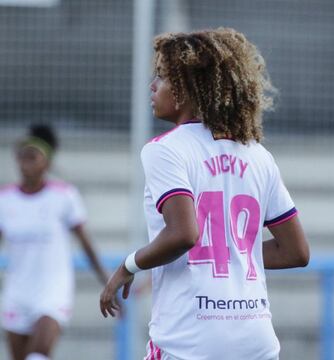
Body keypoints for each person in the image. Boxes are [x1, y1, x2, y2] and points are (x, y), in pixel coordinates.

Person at [100, 28, 310, 360]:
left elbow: (184, 234)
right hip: (256, 342)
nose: (152, 86)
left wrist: (128, 266)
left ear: (187, 89)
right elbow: (296, 251)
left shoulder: (165, 150)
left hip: (191, 340)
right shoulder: (257, 154)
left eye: (162, 77)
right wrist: (231, 254)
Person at [0, 124, 109, 360]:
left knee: (38, 354)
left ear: (47, 163)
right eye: (22, 157)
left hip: (52, 291)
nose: (26, 163)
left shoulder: (63, 196)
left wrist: (108, 282)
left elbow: (86, 244)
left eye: (33, 157)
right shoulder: (5, 198)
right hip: (17, 292)